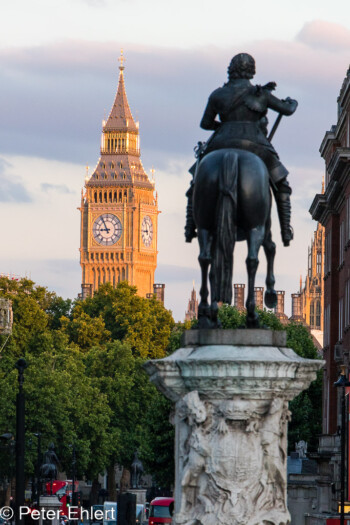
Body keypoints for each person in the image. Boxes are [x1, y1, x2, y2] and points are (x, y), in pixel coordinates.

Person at [185, 52, 298, 247]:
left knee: (196, 181)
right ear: (251, 71)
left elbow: (205, 123)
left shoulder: (217, 94)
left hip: (220, 143)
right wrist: (292, 102)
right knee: (282, 183)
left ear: (231, 69)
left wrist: (222, 126)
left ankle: (190, 226)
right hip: (255, 145)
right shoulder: (261, 93)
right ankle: (286, 230)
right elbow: (287, 110)